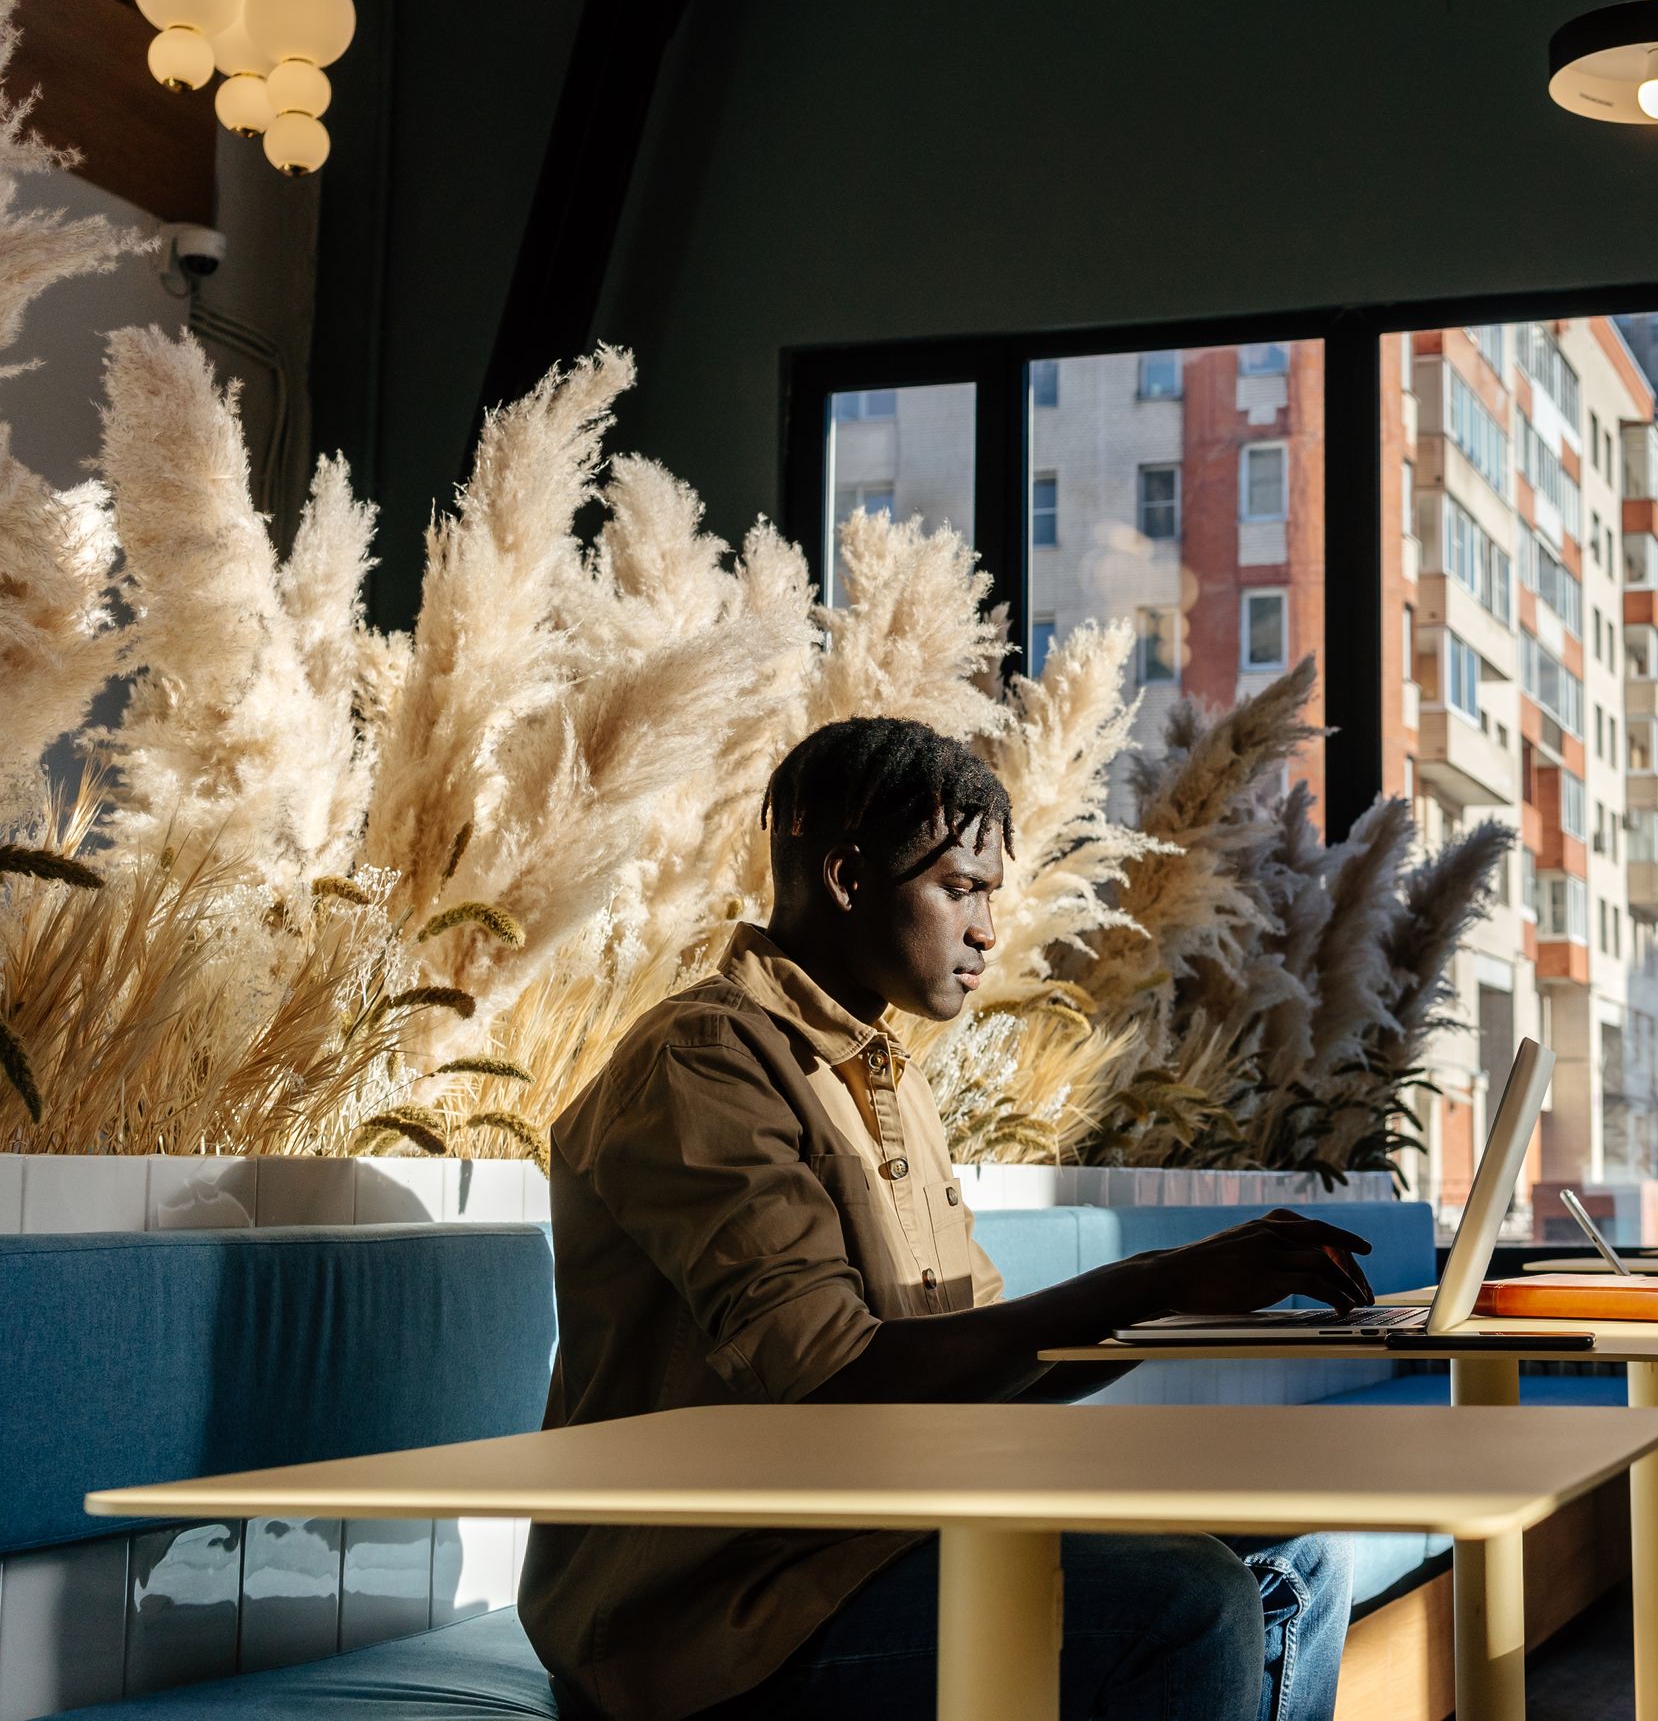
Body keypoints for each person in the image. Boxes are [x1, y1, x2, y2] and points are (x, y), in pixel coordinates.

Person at [521, 717, 1376, 1721]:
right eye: (960, 887)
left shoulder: (885, 1074)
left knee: (1302, 1549)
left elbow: (978, 1375)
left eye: (990, 896)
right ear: (846, 875)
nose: (985, 930)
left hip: (875, 1546)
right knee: (1185, 1603)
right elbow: (836, 1378)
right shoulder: (705, 1060)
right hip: (719, 1620)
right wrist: (1152, 1285)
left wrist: (1183, 1308)